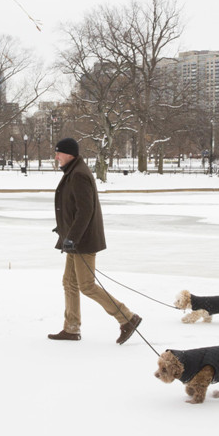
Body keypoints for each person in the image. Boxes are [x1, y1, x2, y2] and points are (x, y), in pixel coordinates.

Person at [47, 137, 142, 344]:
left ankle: (127, 317)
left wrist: (72, 237)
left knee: (87, 285)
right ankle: (71, 328)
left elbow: (85, 210)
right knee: (69, 282)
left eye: (59, 153)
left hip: (83, 241)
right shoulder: (74, 171)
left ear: (69, 154)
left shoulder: (79, 175)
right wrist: (64, 228)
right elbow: (74, 208)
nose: (56, 157)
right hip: (74, 239)